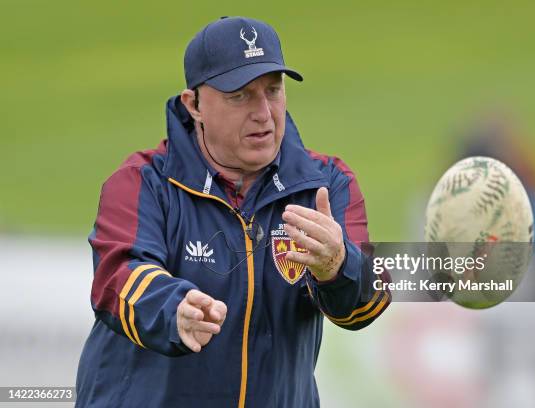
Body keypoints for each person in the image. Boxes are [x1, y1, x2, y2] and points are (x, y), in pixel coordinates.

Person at [75, 16, 390, 408]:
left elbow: (369, 302)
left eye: (272, 91)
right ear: (195, 105)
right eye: (239, 95)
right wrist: (173, 307)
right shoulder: (142, 182)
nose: (263, 112)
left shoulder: (326, 185)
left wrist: (338, 266)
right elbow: (118, 278)